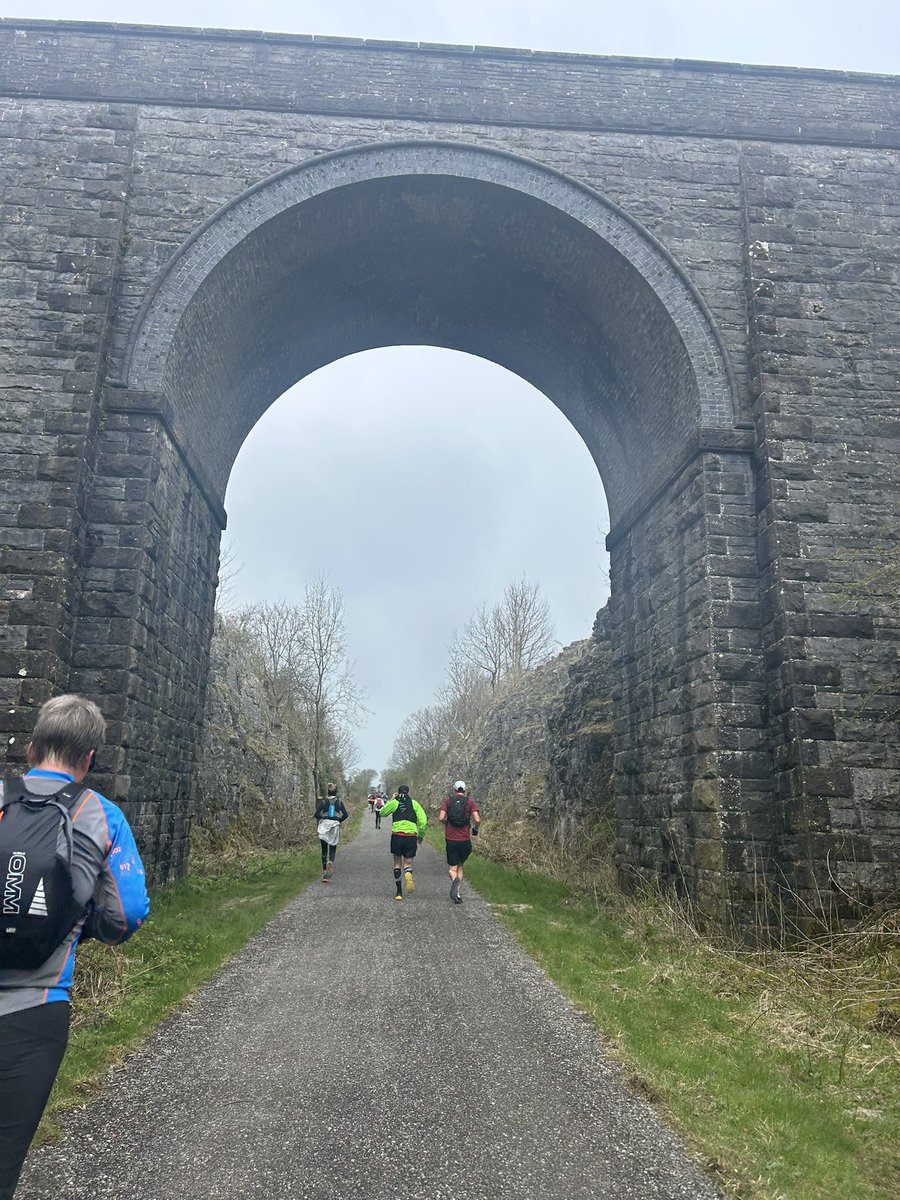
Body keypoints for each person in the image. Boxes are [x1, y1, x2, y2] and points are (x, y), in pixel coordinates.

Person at [0, 694, 150, 1199]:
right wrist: (83, 929)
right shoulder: (102, 816)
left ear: (30, 748)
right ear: (88, 760)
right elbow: (126, 913)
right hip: (35, 1010)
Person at [378, 784, 426, 901]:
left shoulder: (395, 803)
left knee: (397, 863)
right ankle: (408, 873)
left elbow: (382, 813)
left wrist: (391, 799)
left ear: (398, 793)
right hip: (410, 836)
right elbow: (423, 821)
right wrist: (420, 836)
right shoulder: (415, 803)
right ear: (409, 793)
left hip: (397, 836)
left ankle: (399, 892)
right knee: (408, 863)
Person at [439, 780, 480, 905]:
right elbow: (477, 820)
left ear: (454, 790)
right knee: (460, 864)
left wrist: (447, 824)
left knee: (453, 868)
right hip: (465, 840)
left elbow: (441, 817)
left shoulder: (448, 801)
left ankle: (454, 881)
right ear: (465, 790)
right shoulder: (470, 802)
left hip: (451, 839)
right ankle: (457, 893)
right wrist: (474, 830)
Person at [314, 784, 348, 882]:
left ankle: (325, 873)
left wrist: (323, 818)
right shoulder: (339, 802)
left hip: (324, 826)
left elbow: (316, 814)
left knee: (324, 850)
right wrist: (339, 821)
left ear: (328, 792)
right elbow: (346, 815)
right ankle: (330, 862)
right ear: (336, 792)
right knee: (332, 848)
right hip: (334, 826)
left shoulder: (324, 802)